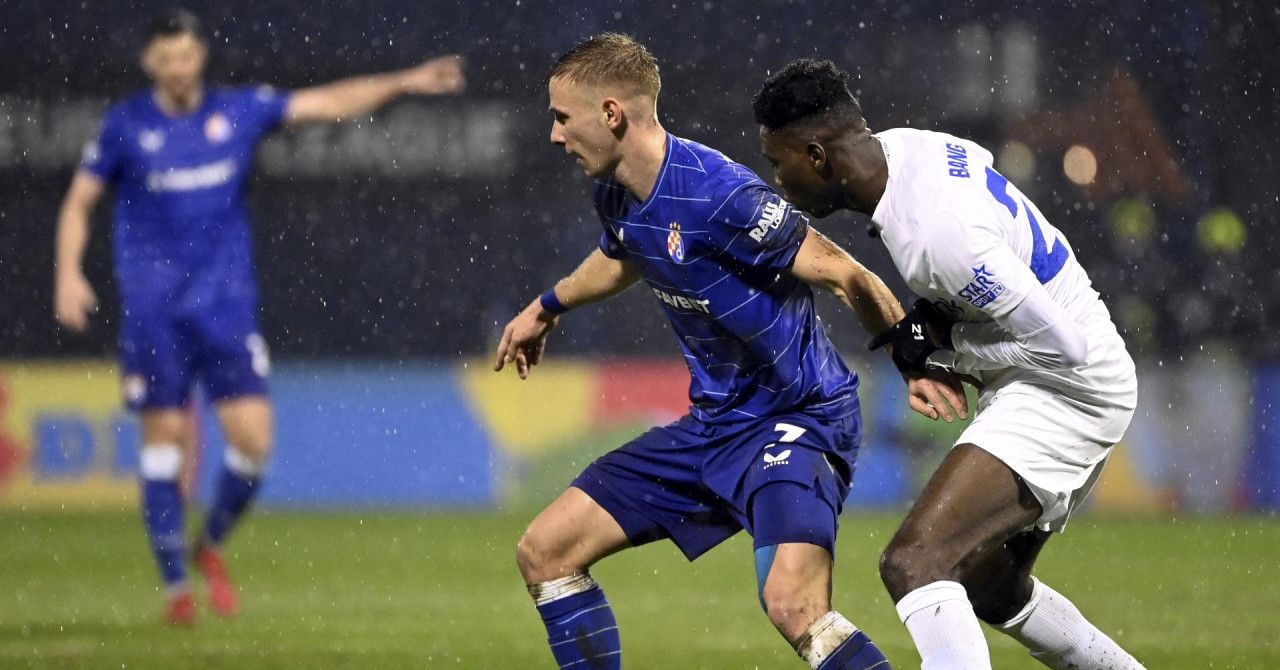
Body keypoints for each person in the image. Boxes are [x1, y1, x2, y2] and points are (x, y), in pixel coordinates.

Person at [496, 33, 967, 670]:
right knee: (545, 551)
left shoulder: (718, 194)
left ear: (611, 114)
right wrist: (548, 306)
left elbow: (844, 271)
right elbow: (623, 253)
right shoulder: (614, 190)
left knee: (794, 605)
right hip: (715, 425)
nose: (554, 136)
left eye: (561, 117)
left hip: (799, 418)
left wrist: (910, 357)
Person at [52, 9, 464, 626]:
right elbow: (78, 203)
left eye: (185, 55)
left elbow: (328, 103)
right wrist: (68, 272)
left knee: (253, 445)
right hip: (155, 315)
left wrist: (403, 81)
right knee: (164, 446)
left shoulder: (239, 110)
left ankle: (210, 542)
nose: (177, 68)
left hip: (225, 309)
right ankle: (176, 589)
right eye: (165, 59)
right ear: (149, 64)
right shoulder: (126, 125)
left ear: (200, 56)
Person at [753, 59, 1145, 669]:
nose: (778, 181)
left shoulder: (938, 234)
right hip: (1062, 371)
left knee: (915, 563)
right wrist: (937, 323)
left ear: (818, 155)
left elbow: (1067, 347)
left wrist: (949, 346)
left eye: (779, 163)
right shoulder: (910, 148)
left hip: (1070, 388)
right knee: (992, 586)